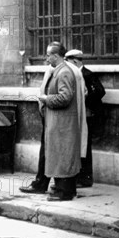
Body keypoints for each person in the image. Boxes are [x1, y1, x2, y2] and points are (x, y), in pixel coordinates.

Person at [37, 42, 86, 201]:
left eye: (48, 55)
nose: (46, 58)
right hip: (59, 122)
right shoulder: (61, 70)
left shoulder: (63, 72)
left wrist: (46, 99)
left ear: (56, 56)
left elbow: (65, 97)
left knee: (62, 156)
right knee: (60, 156)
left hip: (62, 124)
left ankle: (64, 192)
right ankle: (61, 188)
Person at [65, 49, 105, 188]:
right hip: (79, 116)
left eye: (68, 62)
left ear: (75, 61)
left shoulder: (87, 74)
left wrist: (87, 98)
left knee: (85, 148)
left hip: (88, 117)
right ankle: (79, 177)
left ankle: (86, 178)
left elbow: (100, 91)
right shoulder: (76, 74)